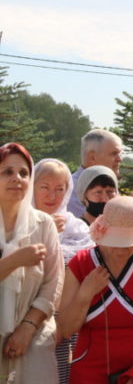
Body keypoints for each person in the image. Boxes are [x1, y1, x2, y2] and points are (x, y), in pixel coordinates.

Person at [58, 196, 133, 383]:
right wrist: (85, 294)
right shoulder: (81, 263)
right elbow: (66, 330)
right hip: (88, 370)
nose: (121, 250)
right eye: (116, 242)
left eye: (129, 242)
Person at [0, 143, 64, 384]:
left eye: (24, 173)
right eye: (7, 172)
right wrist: (15, 261)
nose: (17, 178)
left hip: (34, 335)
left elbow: (54, 283)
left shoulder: (43, 224)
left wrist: (27, 328)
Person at [32, 158, 94, 384]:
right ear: (32, 187)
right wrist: (44, 230)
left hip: (73, 321)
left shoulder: (77, 228)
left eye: (60, 189)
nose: (52, 195)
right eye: (44, 187)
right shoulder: (18, 225)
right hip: (32, 322)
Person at [67, 130, 124, 217]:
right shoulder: (70, 190)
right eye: (114, 154)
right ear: (93, 157)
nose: (120, 159)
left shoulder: (106, 183)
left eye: (120, 154)